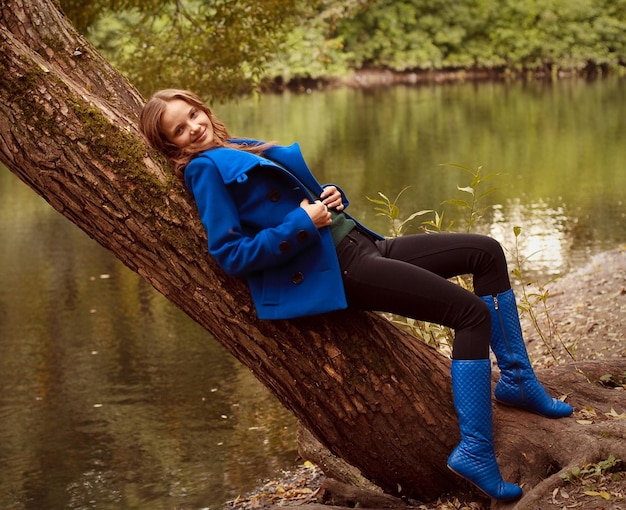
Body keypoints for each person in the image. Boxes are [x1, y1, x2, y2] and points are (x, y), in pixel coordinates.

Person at [139, 89, 573, 501]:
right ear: (172, 146)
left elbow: (296, 201)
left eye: (192, 115)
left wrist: (330, 198)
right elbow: (231, 254)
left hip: (364, 244)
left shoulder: (239, 147)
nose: (193, 128)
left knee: (486, 252)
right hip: (341, 268)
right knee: (471, 314)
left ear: (201, 108)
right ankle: (475, 450)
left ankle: (517, 379)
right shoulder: (203, 170)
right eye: (179, 130)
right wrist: (303, 224)